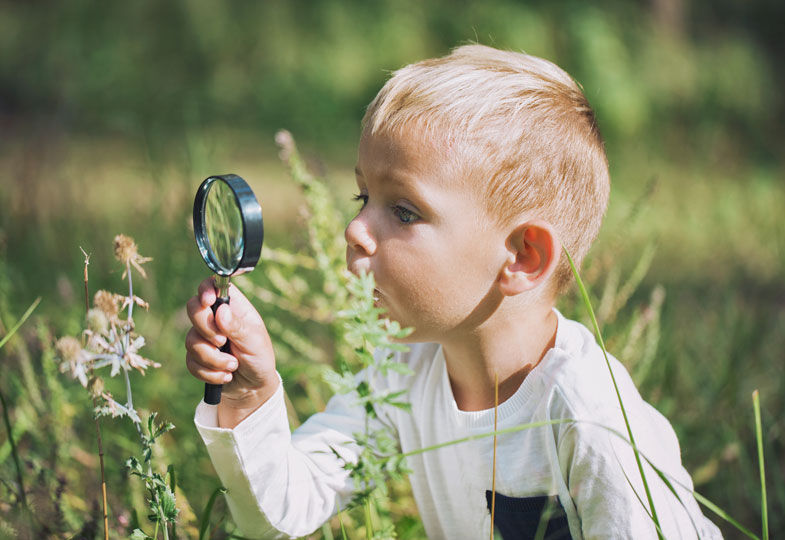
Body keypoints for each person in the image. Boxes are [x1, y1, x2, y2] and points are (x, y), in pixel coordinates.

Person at [185, 44, 722, 539]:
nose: (353, 230)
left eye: (403, 211)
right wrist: (248, 394)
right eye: (362, 195)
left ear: (522, 257)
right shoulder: (402, 372)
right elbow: (279, 510)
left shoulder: (589, 417)